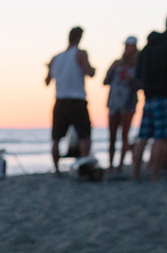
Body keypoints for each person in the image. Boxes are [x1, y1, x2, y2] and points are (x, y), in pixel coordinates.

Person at [132, 9, 167, 182]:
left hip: (149, 96)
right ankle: (154, 174)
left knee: (143, 136)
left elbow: (138, 71)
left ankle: (136, 174)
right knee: (161, 138)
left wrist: (145, 86)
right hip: (166, 96)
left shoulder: (149, 45)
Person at [46, 26, 96, 176]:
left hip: (60, 100)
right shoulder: (80, 53)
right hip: (76, 100)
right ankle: (84, 166)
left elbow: (47, 81)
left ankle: (56, 170)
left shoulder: (56, 58)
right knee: (84, 135)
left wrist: (49, 68)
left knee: (56, 137)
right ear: (79, 38)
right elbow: (90, 72)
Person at [103, 36, 141, 172]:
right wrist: (111, 70)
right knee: (112, 136)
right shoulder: (117, 63)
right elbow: (105, 81)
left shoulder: (138, 66)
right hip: (114, 102)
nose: (127, 49)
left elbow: (140, 85)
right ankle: (111, 165)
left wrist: (131, 79)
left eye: (129, 46)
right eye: (126, 46)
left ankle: (120, 165)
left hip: (128, 103)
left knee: (124, 135)